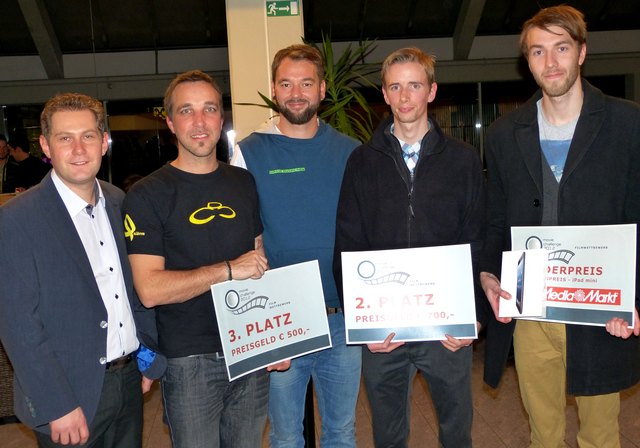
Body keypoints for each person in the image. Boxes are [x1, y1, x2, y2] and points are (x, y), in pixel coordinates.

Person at [480, 5, 640, 447]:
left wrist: (633, 297)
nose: (550, 63)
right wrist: (488, 274)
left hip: (600, 306)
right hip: (531, 306)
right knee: (543, 434)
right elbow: (496, 217)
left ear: (582, 52)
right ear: (527, 61)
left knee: (601, 434)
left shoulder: (628, 124)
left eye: (561, 48)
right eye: (538, 51)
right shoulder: (502, 134)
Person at [123, 70, 287, 448]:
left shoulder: (242, 183)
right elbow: (149, 289)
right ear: (169, 122)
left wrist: (275, 340)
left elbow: (258, 263)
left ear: (221, 118)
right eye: (186, 111)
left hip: (249, 349)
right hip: (189, 362)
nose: (199, 122)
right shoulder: (147, 195)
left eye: (209, 109)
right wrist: (229, 270)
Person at [333, 47, 485, 448]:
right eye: (395, 87)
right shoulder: (361, 162)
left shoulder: (463, 161)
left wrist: (473, 317)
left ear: (431, 92)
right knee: (388, 435)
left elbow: (477, 239)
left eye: (414, 86)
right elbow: (348, 245)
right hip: (385, 330)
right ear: (384, 94)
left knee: (456, 432)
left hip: (446, 329)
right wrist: (361, 324)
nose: (404, 97)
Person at [0, 93, 164, 447]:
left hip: (128, 383)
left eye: (88, 136)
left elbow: (136, 289)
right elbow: (18, 325)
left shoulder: (120, 202)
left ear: (104, 141)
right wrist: (57, 404)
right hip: (69, 395)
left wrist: (147, 357)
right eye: (65, 138)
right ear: (46, 145)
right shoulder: (16, 219)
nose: (78, 149)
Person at [232, 44, 362, 447]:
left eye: (306, 83)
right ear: (274, 89)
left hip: (341, 317)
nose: (296, 93)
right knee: (287, 435)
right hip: (282, 320)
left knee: (341, 432)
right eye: (286, 83)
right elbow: (244, 240)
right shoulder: (248, 153)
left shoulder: (350, 152)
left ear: (323, 89)